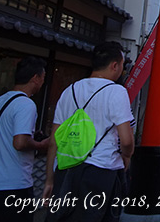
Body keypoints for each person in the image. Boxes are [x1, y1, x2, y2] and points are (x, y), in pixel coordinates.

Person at [43, 41, 135, 222]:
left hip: (66, 169)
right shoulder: (116, 91)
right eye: (122, 66)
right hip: (101, 170)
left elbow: (54, 140)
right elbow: (126, 140)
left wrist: (49, 179)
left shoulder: (69, 91)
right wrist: (127, 156)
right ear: (114, 65)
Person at [0, 57, 49, 222]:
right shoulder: (26, 104)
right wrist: (40, 144)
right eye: (43, 78)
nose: (42, 83)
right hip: (15, 185)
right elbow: (20, 142)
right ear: (35, 78)